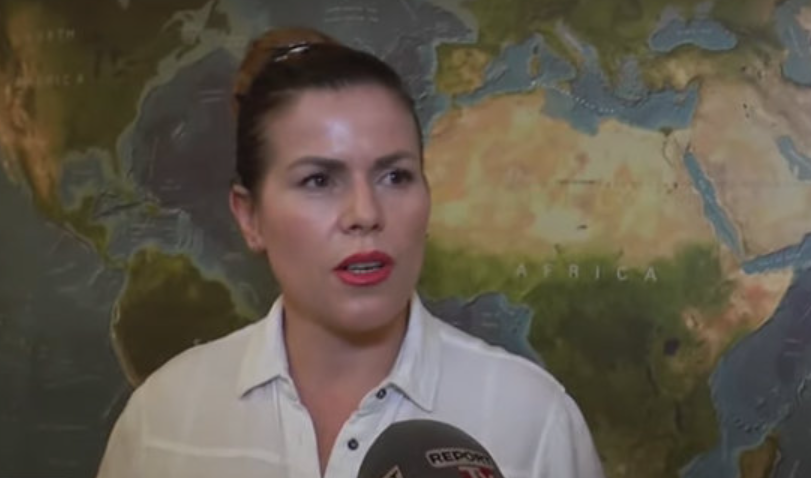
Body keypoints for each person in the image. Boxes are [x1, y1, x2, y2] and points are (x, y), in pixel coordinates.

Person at [95, 27, 606, 478]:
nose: (365, 212)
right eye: (319, 180)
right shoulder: (163, 421)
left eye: (395, 176)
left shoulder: (533, 419)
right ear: (250, 217)